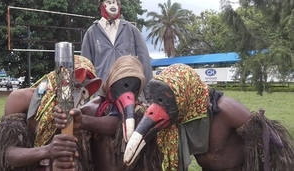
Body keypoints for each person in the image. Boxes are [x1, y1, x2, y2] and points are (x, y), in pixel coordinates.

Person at [124, 63, 294, 171]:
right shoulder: (182, 115)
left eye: (165, 99)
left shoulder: (226, 110)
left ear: (186, 93)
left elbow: (270, 147)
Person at [0, 55, 102, 171]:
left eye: (84, 89)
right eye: (74, 85)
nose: (77, 95)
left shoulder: (81, 112)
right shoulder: (21, 99)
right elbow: (6, 153)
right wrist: (47, 150)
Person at [54, 55, 162, 171]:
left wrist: (84, 121)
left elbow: (116, 124)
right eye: (123, 84)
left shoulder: (142, 113)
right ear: (111, 83)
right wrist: (73, 119)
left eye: (134, 88)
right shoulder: (91, 109)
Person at [81, 0, 153, 102]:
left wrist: (149, 95)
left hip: (130, 91)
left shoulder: (131, 30)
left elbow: (144, 60)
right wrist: (85, 98)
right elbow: (85, 67)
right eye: (108, 2)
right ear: (102, 6)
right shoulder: (92, 33)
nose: (112, 5)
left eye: (114, 2)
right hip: (102, 95)